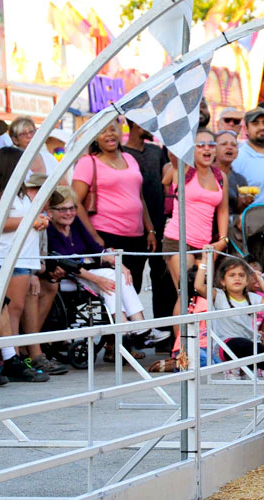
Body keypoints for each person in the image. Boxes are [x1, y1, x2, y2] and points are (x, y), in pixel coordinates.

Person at [0, 147, 64, 379]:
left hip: (23, 258)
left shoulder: (17, 193)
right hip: (11, 258)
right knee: (13, 310)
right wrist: (31, 221)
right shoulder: (0, 193)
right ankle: (12, 358)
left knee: (14, 309)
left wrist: (37, 222)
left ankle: (13, 356)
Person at [44, 186, 159, 344]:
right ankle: (130, 327)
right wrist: (98, 279)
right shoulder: (49, 229)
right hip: (66, 278)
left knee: (118, 275)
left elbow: (96, 249)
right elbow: (65, 263)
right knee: (110, 277)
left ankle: (134, 326)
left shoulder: (75, 223)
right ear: (50, 212)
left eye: (72, 208)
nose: (69, 213)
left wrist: (120, 264)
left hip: (86, 274)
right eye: (62, 209)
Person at [72, 120, 158, 294]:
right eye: (103, 131)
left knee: (134, 289)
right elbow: (74, 202)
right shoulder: (88, 162)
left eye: (112, 129)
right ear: (95, 138)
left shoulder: (130, 158)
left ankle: (131, 322)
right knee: (117, 292)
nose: (109, 134)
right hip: (107, 236)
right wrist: (94, 237)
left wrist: (150, 230)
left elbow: (139, 197)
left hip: (137, 238)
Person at [162, 129, 232, 337]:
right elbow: (172, 154)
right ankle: (180, 350)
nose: (207, 149)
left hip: (205, 244)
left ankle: (197, 344)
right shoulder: (182, 169)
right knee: (186, 293)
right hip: (178, 240)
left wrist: (222, 239)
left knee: (200, 294)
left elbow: (223, 209)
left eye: (211, 144)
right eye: (200, 145)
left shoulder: (221, 176)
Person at [121, 120, 173, 336]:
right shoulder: (122, 152)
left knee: (162, 278)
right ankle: (131, 335)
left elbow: (166, 181)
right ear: (133, 124)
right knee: (133, 279)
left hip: (160, 224)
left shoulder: (155, 150)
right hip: (134, 225)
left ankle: (162, 331)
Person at [214, 130, 250, 213]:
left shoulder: (240, 180)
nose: (229, 147)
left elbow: (240, 212)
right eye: (224, 144)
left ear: (237, 153)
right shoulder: (204, 174)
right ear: (214, 150)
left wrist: (244, 203)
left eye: (233, 145)